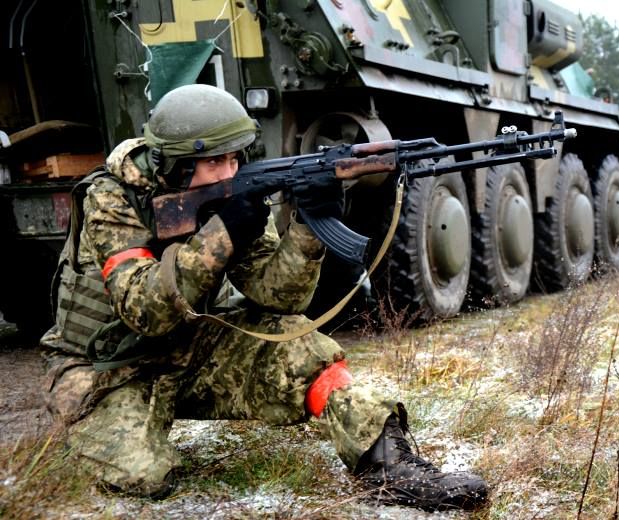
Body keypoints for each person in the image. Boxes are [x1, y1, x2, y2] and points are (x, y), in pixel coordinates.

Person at [40, 84, 488, 511]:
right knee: (143, 476)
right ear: (174, 163)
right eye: (215, 162)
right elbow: (145, 311)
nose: (229, 172)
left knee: (295, 338)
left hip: (190, 350)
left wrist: (311, 227)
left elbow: (280, 298)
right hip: (104, 369)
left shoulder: (232, 195)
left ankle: (388, 463)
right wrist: (223, 234)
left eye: (235, 158)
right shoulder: (111, 198)